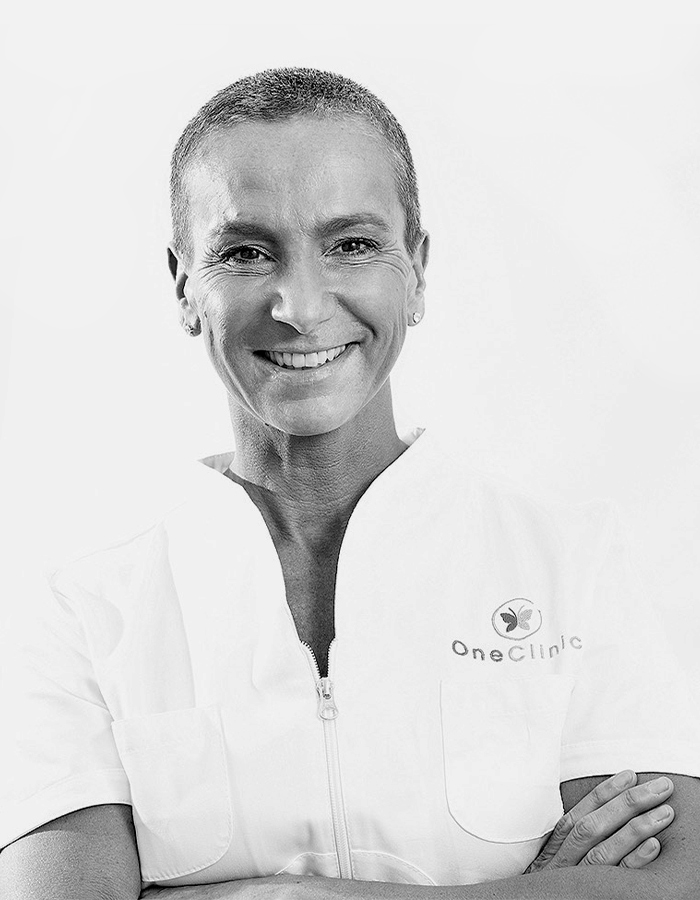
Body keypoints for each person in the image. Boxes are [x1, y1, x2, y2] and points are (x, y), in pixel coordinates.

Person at [1, 67, 699, 900]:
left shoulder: (570, 564)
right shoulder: (87, 612)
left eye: (352, 245)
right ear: (185, 286)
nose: (301, 305)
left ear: (418, 270)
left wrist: (286, 896)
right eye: (245, 252)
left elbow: (677, 883)